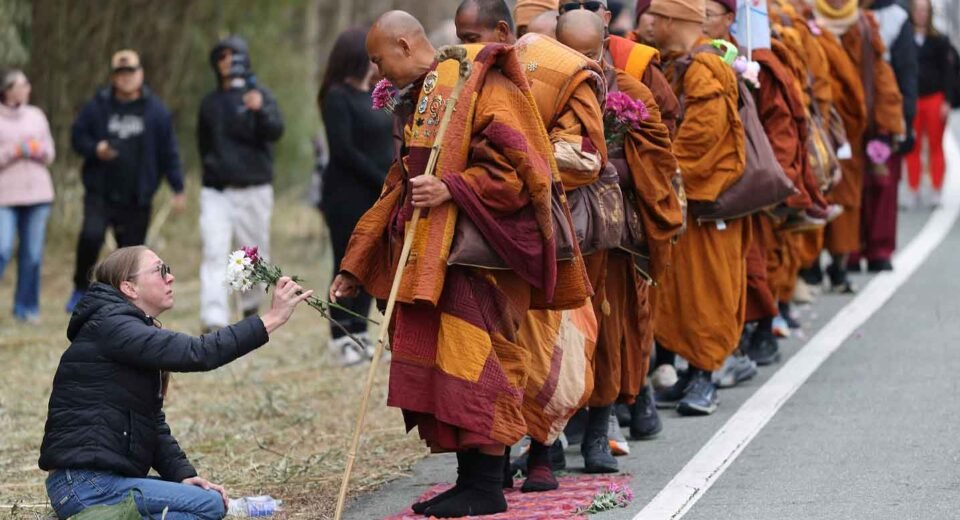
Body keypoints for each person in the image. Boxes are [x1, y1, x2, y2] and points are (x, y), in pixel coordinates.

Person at [331, 11, 561, 517]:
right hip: (433, 258)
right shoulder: (427, 95)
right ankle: (470, 480)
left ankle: (486, 486)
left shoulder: (481, 84)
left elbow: (520, 171)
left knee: (482, 363)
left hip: (480, 259)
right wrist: (356, 263)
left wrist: (453, 186)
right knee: (445, 369)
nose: (376, 72)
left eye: (378, 59)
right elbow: (402, 182)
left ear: (404, 44)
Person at [456, 0, 610, 486]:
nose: (529, 49)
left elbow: (584, 158)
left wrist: (524, 163)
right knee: (498, 343)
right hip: (488, 227)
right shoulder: (467, 75)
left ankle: (544, 452)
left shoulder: (569, 80)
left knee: (551, 344)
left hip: (550, 232)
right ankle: (497, 457)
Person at [39, 246, 312, 520]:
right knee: (211, 506)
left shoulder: (122, 329)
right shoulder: (114, 327)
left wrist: (183, 477)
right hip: (88, 486)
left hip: (90, 486)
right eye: (160, 270)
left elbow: (152, 424)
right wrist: (273, 318)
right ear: (129, 287)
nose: (170, 277)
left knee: (207, 506)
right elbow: (200, 352)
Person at [556, 8, 684, 438]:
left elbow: (658, 152)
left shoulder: (630, 84)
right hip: (560, 229)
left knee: (613, 325)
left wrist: (608, 167)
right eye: (571, 54)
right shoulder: (542, 85)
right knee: (558, 332)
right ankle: (554, 431)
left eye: (590, 54)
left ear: (605, 30)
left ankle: (606, 419)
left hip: (614, 233)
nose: (584, 66)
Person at [647, 0, 749, 416]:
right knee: (682, 290)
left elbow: (701, 140)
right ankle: (691, 373)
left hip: (707, 200)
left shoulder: (705, 67)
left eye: (654, 16)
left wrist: (659, 172)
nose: (648, 23)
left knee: (708, 290)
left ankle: (706, 375)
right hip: (686, 199)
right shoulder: (679, 62)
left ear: (672, 20)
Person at [66, 50, 186, 313]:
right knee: (91, 236)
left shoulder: (156, 111)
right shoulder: (98, 106)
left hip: (137, 195)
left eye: (131, 73)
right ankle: (79, 289)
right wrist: (96, 148)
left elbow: (169, 152)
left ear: (141, 74)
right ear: (113, 77)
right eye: (120, 74)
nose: (126, 78)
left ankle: (121, 302)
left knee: (129, 254)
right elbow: (77, 136)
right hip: (101, 190)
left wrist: (178, 187)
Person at [812, 0, 904, 290]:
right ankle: (808, 265)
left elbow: (881, 79)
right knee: (811, 195)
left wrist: (885, 127)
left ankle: (839, 265)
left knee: (846, 202)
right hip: (814, 125)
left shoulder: (864, 26)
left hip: (850, 132)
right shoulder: (805, 21)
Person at [198, 35, 285, 332]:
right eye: (221, 57)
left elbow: (275, 131)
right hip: (217, 190)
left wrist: (259, 109)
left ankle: (250, 307)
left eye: (233, 56)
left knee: (251, 254)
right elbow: (203, 144)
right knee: (214, 249)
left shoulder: (260, 95)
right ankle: (214, 317)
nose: (227, 62)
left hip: (254, 187)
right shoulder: (209, 104)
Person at [317, 27, 393, 366]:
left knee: (368, 261)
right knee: (346, 262)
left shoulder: (375, 94)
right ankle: (339, 336)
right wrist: (382, 180)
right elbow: (344, 151)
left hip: (376, 194)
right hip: (346, 195)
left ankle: (359, 332)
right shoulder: (337, 97)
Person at [855, 0, 917, 272]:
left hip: (884, 112)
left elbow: (907, 72)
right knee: (851, 184)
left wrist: (906, 120)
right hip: (849, 111)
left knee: (883, 183)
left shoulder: (896, 17)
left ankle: (878, 249)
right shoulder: (835, 11)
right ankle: (850, 248)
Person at [0, 68, 55, 323]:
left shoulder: (36, 116)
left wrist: (37, 150)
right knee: (3, 249)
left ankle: (26, 308)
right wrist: (14, 151)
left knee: (32, 255)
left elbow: (50, 153)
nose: (26, 88)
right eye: (20, 85)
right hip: (5, 197)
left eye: (27, 84)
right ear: (7, 89)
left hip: (38, 196)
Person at [905, 0, 957, 208]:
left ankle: (936, 188)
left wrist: (948, 100)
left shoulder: (940, 41)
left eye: (924, 11)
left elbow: (949, 73)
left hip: (934, 98)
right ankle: (913, 188)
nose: (921, 14)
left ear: (929, 14)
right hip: (913, 99)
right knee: (912, 146)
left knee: (936, 145)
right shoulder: (905, 38)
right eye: (917, 10)